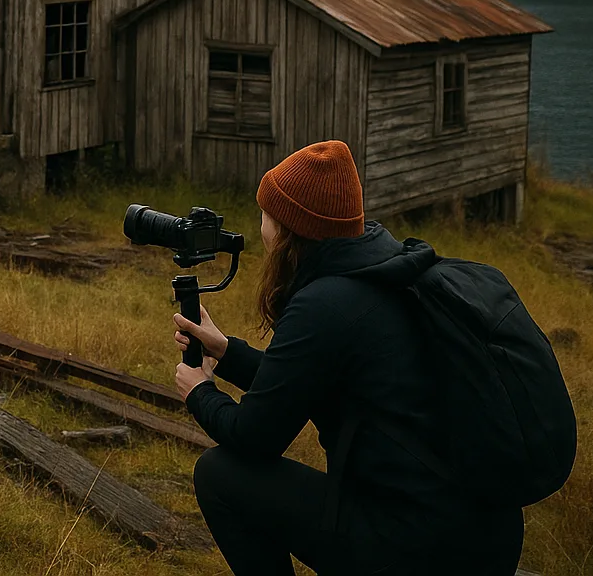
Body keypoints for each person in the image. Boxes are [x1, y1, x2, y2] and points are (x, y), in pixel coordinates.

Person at [171, 140, 524, 575]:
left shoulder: (323, 305)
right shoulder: (389, 272)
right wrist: (226, 353)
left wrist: (201, 392)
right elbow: (309, 382)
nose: (261, 227)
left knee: (219, 475)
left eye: (266, 214)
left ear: (288, 228)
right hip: (488, 537)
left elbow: (255, 437)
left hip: (415, 546)